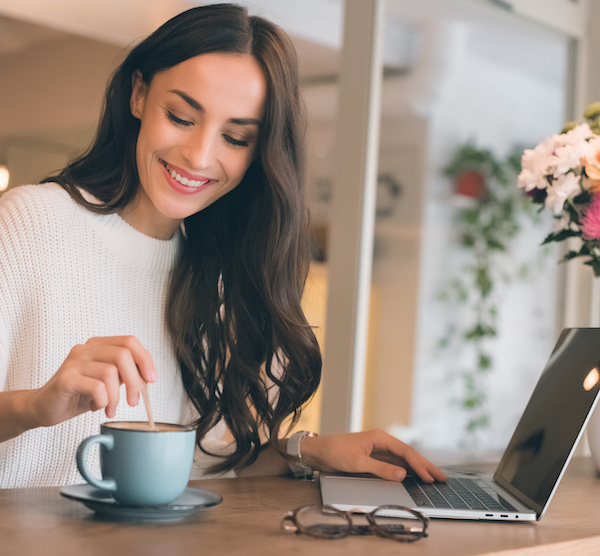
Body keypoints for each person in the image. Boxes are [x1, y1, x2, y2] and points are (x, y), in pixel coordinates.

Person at [0, 3, 446, 488]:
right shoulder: (32, 222)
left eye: (235, 138)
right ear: (138, 94)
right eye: (180, 116)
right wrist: (35, 405)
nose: (198, 156)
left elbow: (198, 462)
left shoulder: (212, 272)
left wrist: (309, 451)